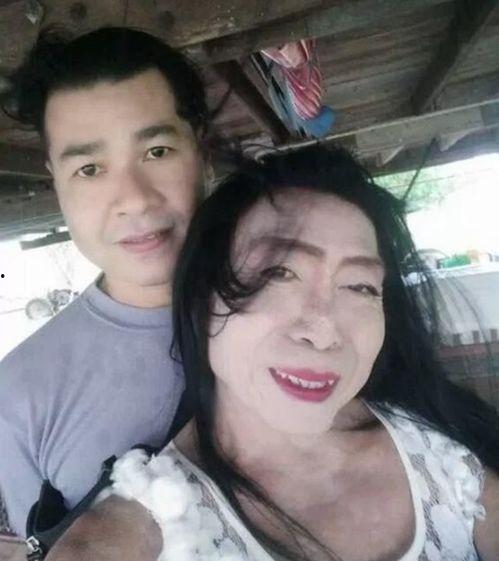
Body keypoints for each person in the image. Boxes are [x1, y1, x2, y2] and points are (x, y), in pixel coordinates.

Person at [46, 145, 499, 561]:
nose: (324, 332)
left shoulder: (446, 456)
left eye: (360, 286)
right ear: (201, 299)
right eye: (278, 274)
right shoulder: (131, 536)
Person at [0, 27, 209, 538]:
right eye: (90, 169)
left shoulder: (308, 305)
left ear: (201, 150)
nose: (133, 198)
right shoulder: (18, 394)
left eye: (157, 151)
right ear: (56, 179)